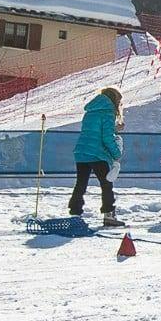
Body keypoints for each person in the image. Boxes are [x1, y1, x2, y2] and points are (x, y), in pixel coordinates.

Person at [69, 85, 124, 226]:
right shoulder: (108, 113)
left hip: (81, 152)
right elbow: (106, 137)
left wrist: (114, 128)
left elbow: (93, 130)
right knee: (106, 184)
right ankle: (109, 214)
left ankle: (75, 213)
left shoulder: (90, 110)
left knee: (80, 184)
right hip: (97, 154)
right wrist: (116, 153)